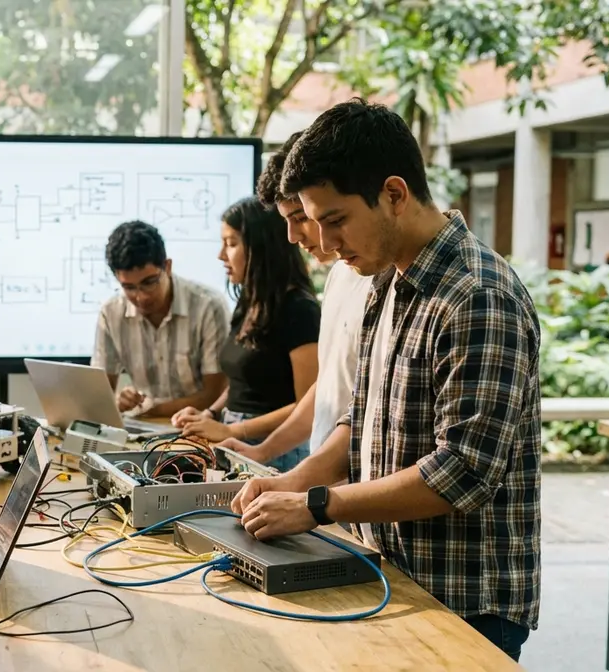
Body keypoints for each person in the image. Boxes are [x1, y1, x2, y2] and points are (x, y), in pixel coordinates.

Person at [233, 98, 541, 661]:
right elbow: (364, 416)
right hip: (388, 577)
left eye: (335, 221)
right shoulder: (386, 283)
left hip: (462, 602)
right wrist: (292, 481)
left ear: (394, 194)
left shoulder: (478, 297)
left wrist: (317, 504)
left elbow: (463, 474)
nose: (324, 245)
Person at [214, 132, 374, 468]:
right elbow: (325, 390)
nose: (293, 236)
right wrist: (262, 451)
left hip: (342, 480)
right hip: (322, 473)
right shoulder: (339, 277)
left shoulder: (303, 306)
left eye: (301, 218)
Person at [170, 198, 320, 473]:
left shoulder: (300, 310)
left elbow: (307, 404)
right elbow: (242, 379)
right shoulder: (250, 302)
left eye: (231, 243)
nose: (221, 255)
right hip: (236, 438)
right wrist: (210, 414)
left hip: (276, 451)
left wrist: (235, 428)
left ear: (261, 248)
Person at [92, 220, 229, 417]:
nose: (141, 297)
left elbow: (214, 395)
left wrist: (152, 410)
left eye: (149, 282)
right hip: (142, 430)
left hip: (200, 426)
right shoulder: (111, 312)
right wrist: (119, 402)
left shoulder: (209, 306)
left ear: (167, 266)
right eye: (129, 288)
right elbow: (99, 395)